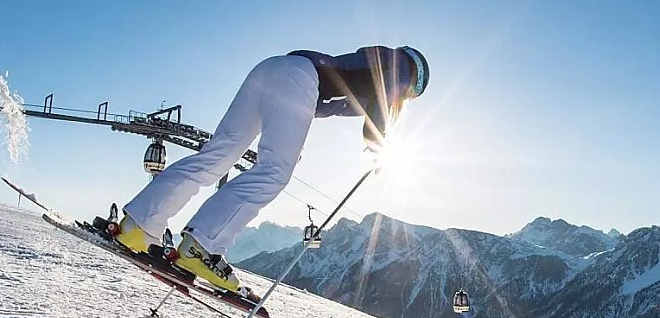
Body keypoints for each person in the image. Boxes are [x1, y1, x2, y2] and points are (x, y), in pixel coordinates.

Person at [115, 46, 429, 294]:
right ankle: (202, 247)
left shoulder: (365, 66)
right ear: (415, 82)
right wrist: (377, 143)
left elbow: (320, 106)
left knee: (217, 154)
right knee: (274, 171)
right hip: (300, 77)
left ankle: (139, 224)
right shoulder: (401, 66)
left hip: (273, 69)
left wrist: (291, 138)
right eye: (411, 95)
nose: (406, 99)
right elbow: (383, 95)